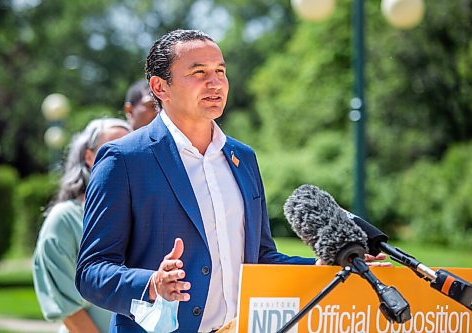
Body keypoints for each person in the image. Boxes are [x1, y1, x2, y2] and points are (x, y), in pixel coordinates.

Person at [75, 29, 386, 333]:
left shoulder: (242, 158)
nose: (215, 83)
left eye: (220, 71)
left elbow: (260, 259)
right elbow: (91, 272)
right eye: (198, 72)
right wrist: (151, 284)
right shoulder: (124, 159)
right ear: (160, 87)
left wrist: (320, 268)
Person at [33, 118, 131, 333]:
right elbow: (68, 308)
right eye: (113, 149)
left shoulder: (140, 214)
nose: (126, 158)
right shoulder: (64, 219)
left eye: (132, 149)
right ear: (88, 157)